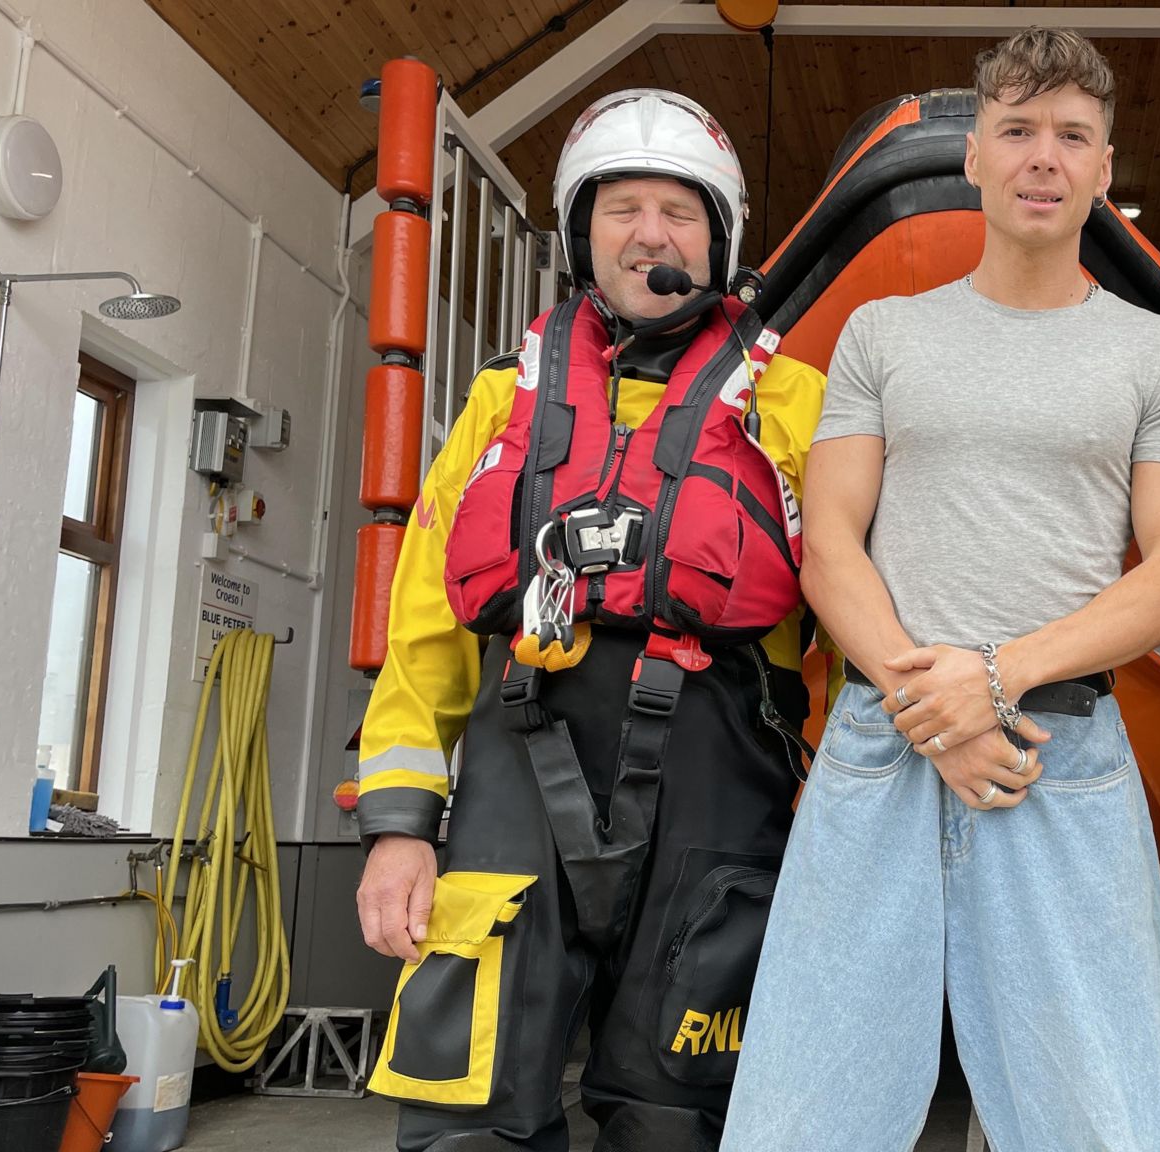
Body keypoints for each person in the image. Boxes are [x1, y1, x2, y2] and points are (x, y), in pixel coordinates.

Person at [720, 28, 1160, 1152]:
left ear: (1102, 168)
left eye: (1071, 137)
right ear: (976, 161)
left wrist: (991, 681)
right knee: (808, 1107)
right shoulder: (880, 334)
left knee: (1099, 1116)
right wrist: (929, 708)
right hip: (882, 739)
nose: (1044, 156)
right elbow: (831, 547)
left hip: (1060, 747)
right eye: (1017, 130)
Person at [350, 89, 823, 1152]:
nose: (650, 234)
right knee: (463, 1117)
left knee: (675, 1123)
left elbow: (854, 634)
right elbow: (424, 627)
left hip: (719, 800)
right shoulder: (498, 406)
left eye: (679, 212)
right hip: (516, 778)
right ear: (578, 231)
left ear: (719, 239)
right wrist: (395, 832)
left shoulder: (796, 407)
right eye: (622, 209)